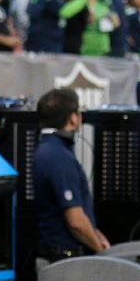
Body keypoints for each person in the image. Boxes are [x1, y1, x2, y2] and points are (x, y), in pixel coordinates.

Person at [33, 87, 108, 269]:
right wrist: (101, 252)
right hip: (66, 260)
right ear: (73, 118)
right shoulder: (59, 157)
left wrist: (95, 233)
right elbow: (75, 221)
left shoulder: (47, 150)